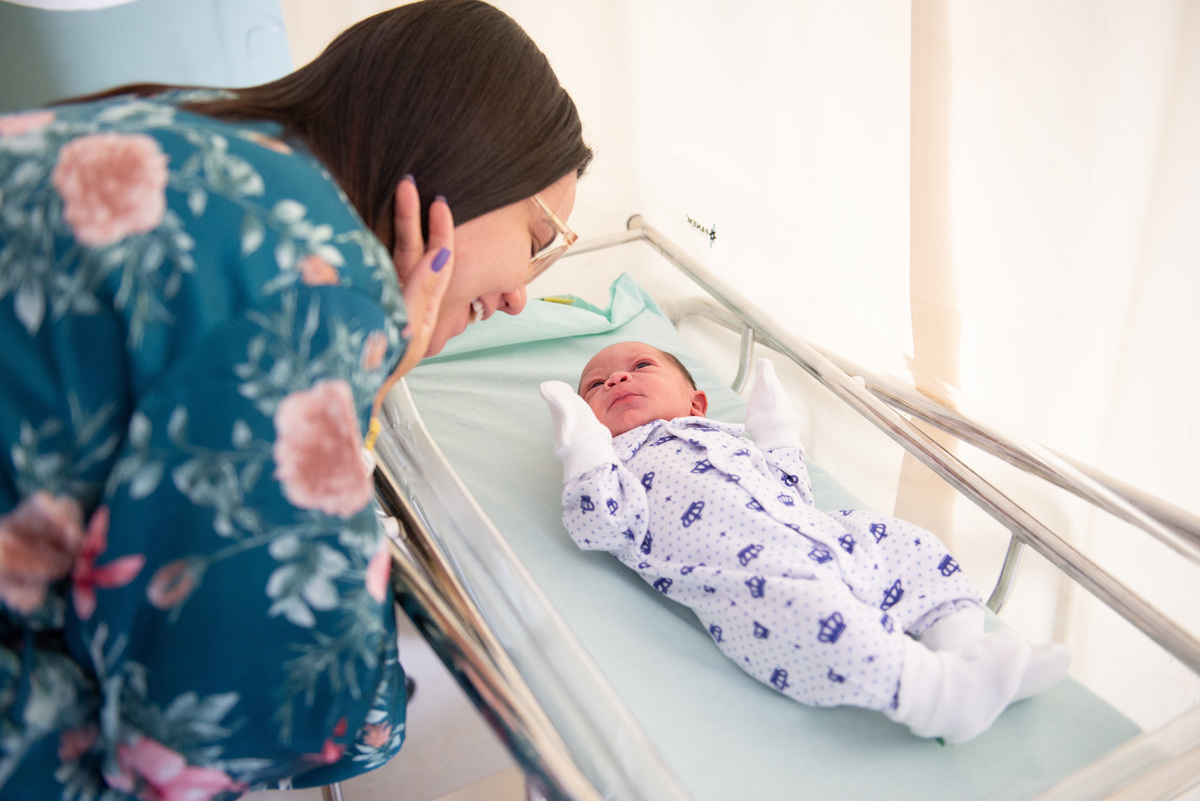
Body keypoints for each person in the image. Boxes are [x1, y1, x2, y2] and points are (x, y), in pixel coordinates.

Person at [0, 1, 591, 797]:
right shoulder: (308, 291)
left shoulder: (199, 127)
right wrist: (363, 409)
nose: (520, 293)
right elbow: (257, 719)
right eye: (539, 239)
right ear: (471, 164)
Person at [539, 342, 1072, 744]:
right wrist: (584, 448)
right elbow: (599, 524)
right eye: (595, 386)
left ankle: (962, 647)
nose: (617, 379)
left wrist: (776, 431)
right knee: (806, 617)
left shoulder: (726, 439)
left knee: (905, 543)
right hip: (751, 578)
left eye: (640, 366)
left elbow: (792, 488)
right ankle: (937, 694)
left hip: (826, 534)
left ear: (696, 402)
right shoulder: (619, 464)